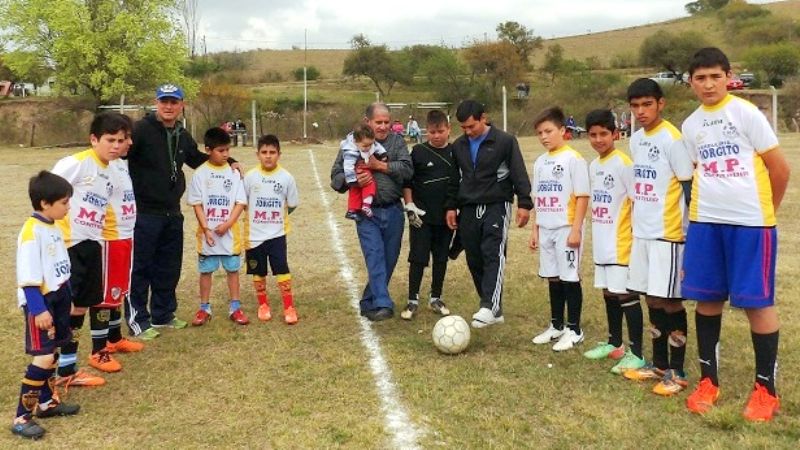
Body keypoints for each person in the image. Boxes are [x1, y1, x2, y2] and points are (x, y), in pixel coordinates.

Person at [680, 48, 790, 422]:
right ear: (690, 82)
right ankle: (708, 381)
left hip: (751, 225)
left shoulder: (745, 113)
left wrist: (764, 214)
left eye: (715, 76)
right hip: (706, 222)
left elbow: (779, 168)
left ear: (729, 76)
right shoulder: (691, 125)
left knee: (756, 302)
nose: (708, 84)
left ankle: (765, 390)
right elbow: (699, 171)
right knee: (707, 299)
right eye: (700, 77)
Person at [126, 84, 238, 339]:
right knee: (141, 267)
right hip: (144, 212)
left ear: (181, 105)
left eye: (173, 102)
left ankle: (163, 314)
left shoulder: (181, 133)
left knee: (169, 267)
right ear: (156, 102)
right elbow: (122, 155)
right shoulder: (141, 130)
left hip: (172, 212)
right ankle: (138, 320)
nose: (168, 106)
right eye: (164, 101)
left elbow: (198, 159)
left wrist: (230, 161)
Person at [621, 78, 694, 397]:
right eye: (635, 106)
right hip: (644, 233)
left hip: (669, 233)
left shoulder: (673, 139)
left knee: (671, 300)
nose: (641, 111)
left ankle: (677, 370)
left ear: (660, 104)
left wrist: (694, 233)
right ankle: (659, 363)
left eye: (647, 104)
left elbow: (689, 187)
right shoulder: (636, 140)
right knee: (651, 297)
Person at [51, 113, 133, 385]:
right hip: (69, 245)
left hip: (92, 243)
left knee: (81, 306)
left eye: (120, 140)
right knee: (66, 307)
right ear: (94, 139)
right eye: (110, 140)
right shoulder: (75, 164)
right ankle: (58, 369)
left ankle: (68, 371)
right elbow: (46, 192)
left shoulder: (112, 168)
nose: (115, 146)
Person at [445, 100, 532, 328]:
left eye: (471, 126)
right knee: (474, 256)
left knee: (493, 252)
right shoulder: (459, 146)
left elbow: (518, 172)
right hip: (468, 208)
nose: (468, 132)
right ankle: (495, 308)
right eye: (463, 128)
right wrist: (450, 206)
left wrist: (524, 202)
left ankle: (488, 306)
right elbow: (455, 179)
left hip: (496, 204)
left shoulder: (505, 141)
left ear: (483, 118)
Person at [11, 171, 80, 439]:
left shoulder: (52, 225)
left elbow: (58, 268)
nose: (68, 206)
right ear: (44, 203)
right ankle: (21, 416)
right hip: (41, 303)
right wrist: (38, 309)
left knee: (52, 352)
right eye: (64, 202)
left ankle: (46, 403)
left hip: (59, 297)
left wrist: (68, 296)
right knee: (42, 356)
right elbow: (28, 279)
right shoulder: (31, 233)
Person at [330, 103, 413, 321]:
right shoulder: (351, 143)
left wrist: (381, 166)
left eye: (387, 122)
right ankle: (384, 303)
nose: (384, 126)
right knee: (375, 255)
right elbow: (335, 178)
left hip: (394, 210)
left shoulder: (397, 142)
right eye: (379, 122)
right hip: (366, 213)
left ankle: (368, 300)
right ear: (368, 122)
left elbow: (408, 171)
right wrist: (353, 180)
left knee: (389, 259)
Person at [580, 109, 644, 374]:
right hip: (603, 241)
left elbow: (636, 202)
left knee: (625, 294)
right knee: (608, 292)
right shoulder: (594, 166)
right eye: (593, 135)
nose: (598, 139)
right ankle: (614, 343)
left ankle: (636, 353)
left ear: (615, 134)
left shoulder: (624, 164)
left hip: (621, 243)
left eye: (603, 134)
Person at [529, 107, 589, 351]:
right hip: (546, 227)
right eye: (540, 133)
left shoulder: (574, 159)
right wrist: (535, 229)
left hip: (567, 227)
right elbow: (538, 198)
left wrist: (576, 229)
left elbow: (583, 197)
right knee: (552, 277)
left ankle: (574, 329)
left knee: (569, 277)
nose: (544, 136)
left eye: (549, 131)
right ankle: (556, 325)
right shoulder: (541, 162)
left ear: (562, 131)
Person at [91, 114, 145, 369]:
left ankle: (114, 338)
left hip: (126, 236)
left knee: (118, 291)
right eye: (121, 139)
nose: (127, 144)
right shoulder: (96, 165)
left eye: (125, 139)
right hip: (108, 239)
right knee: (104, 295)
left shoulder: (121, 164)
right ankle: (98, 349)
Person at [188, 128, 248, 326]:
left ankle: (235, 307)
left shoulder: (234, 173)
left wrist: (229, 224)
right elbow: (197, 204)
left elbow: (240, 202)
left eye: (227, 150)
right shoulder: (200, 174)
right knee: (206, 271)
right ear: (208, 150)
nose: (226, 155)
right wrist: (206, 229)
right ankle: (204, 307)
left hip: (229, 234)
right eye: (221, 150)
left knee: (233, 270)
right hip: (208, 235)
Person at [400, 109, 454, 320]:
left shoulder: (455, 152)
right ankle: (412, 300)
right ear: (426, 131)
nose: (436, 136)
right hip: (421, 218)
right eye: (432, 132)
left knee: (441, 258)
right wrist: (410, 206)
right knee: (418, 258)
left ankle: (436, 297)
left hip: (446, 218)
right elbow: (408, 182)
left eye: (440, 131)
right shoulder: (418, 152)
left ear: (448, 129)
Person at [244, 134, 300, 324]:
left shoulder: (286, 178)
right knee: (258, 271)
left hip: (277, 234)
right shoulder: (250, 177)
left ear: (279, 154)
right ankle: (263, 305)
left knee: (282, 269)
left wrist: (275, 217)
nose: (268, 156)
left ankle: (289, 307)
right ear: (257, 154)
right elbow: (242, 203)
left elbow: (292, 204)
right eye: (264, 152)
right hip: (253, 235)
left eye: (272, 152)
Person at [341, 123, 388, 220]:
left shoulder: (370, 143)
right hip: (358, 171)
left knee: (362, 188)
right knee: (367, 184)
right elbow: (348, 166)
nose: (368, 148)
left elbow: (376, 146)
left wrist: (383, 154)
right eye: (365, 146)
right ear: (355, 142)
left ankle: (354, 209)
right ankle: (360, 207)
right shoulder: (350, 152)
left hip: (365, 168)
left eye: (370, 145)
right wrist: (352, 179)